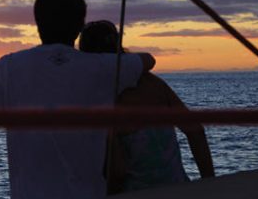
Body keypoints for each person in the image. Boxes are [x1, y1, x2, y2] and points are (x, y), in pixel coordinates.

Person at [0, 0, 156, 199]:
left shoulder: (8, 67)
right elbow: (148, 60)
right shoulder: (103, 67)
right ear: (79, 26)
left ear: (37, 23)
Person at [78, 20, 215, 193]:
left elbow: (117, 171)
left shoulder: (102, 98)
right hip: (179, 189)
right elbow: (195, 131)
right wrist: (210, 183)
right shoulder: (154, 83)